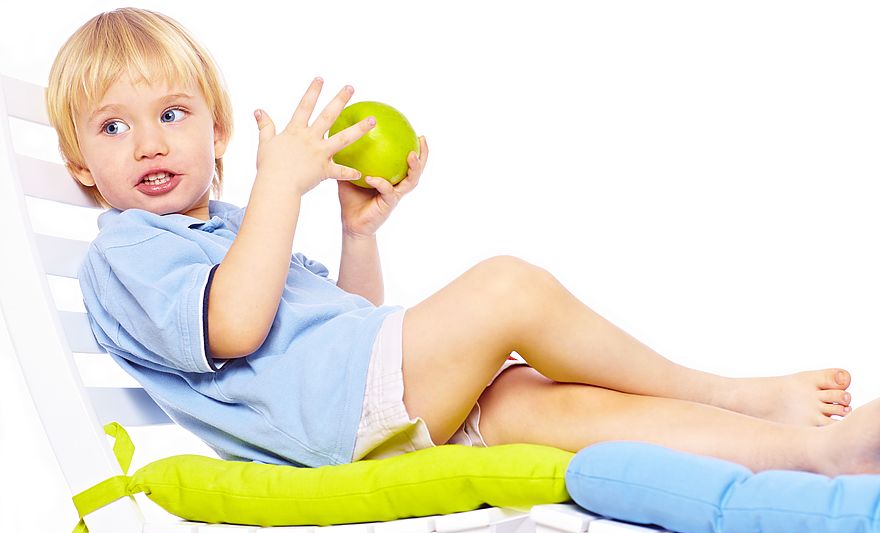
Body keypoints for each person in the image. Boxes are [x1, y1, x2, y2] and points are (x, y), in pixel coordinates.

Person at [48, 8, 880, 476]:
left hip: (364, 396)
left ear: (216, 129)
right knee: (508, 287)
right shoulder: (126, 251)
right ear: (82, 164)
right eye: (114, 126)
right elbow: (231, 328)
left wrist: (356, 232)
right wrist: (276, 187)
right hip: (341, 422)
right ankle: (728, 392)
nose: (150, 144)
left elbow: (340, 320)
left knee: (551, 406)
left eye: (171, 114)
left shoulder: (226, 229)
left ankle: (808, 454)